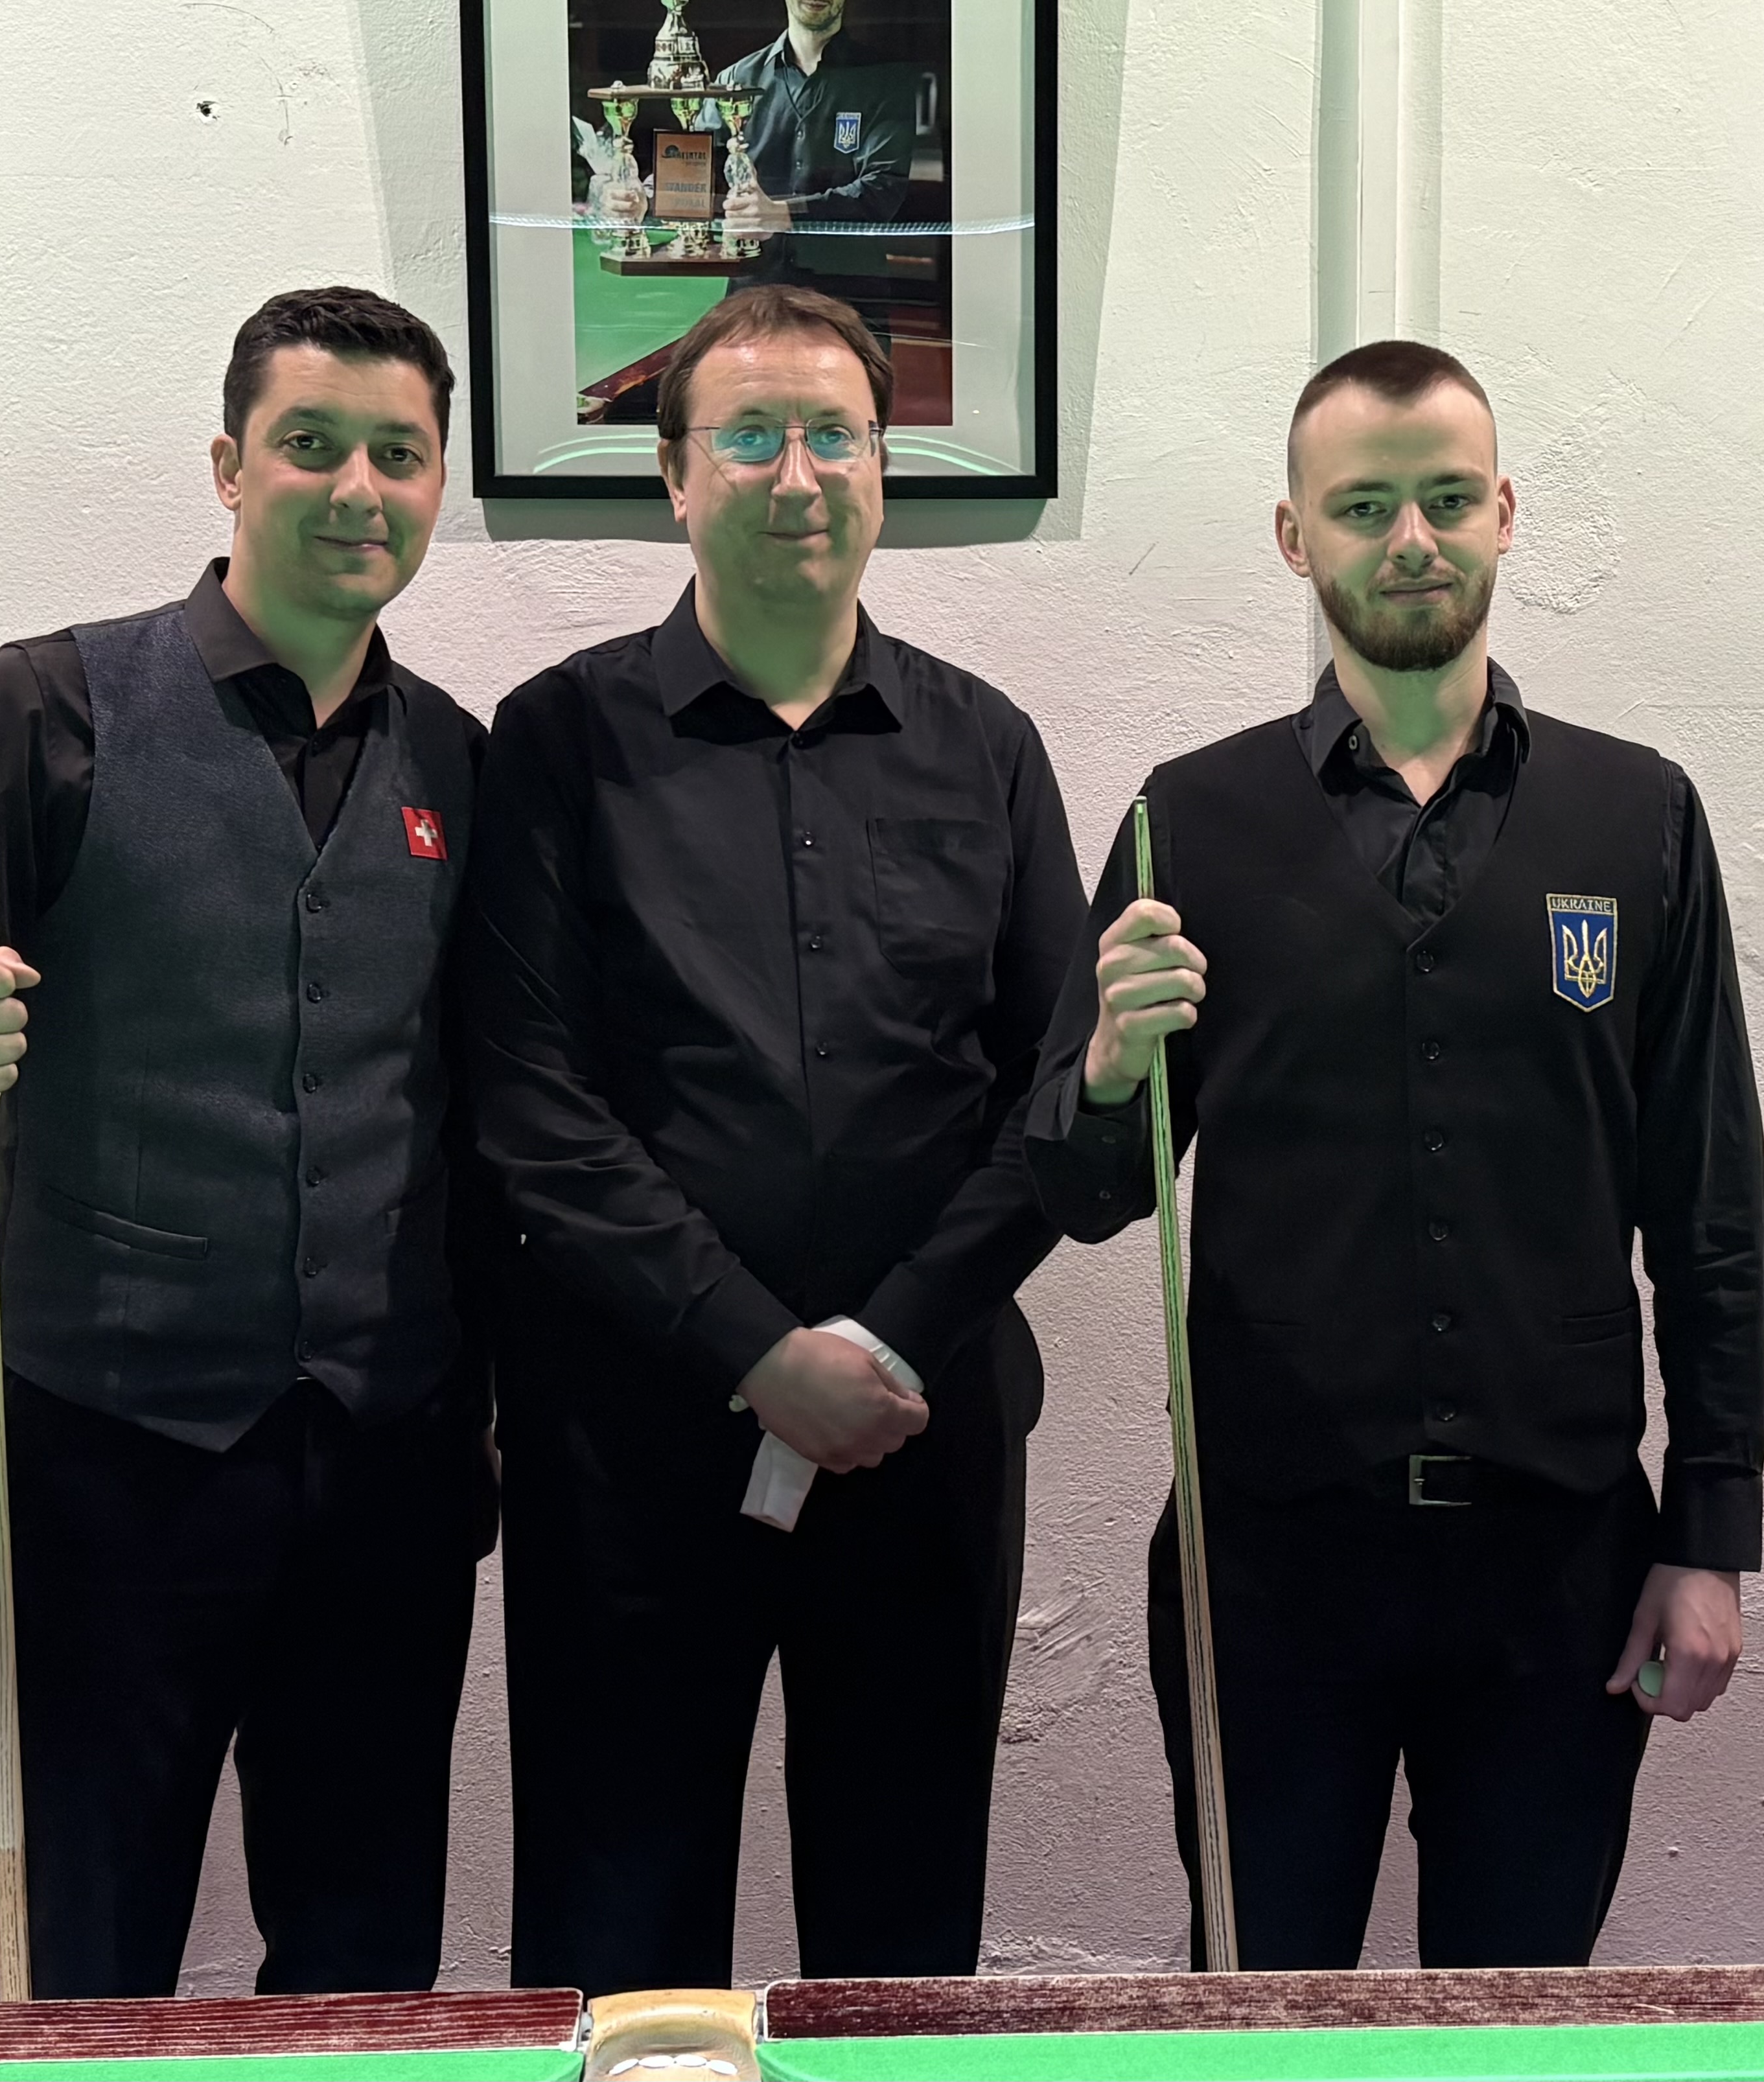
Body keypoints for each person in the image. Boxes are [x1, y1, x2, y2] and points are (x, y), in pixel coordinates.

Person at [1025, 340, 1764, 1971]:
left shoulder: (1639, 817)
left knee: (1519, 2027)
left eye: (1446, 498)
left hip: (1560, 1561)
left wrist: (1710, 1530)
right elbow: (1085, 1196)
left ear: (1505, 512)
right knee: (1259, 2016)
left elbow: (1709, 1203)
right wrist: (1102, 1072)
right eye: (1365, 506)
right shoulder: (1184, 820)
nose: (1412, 539)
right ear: (1295, 536)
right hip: (1268, 1566)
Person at [0, 287, 492, 1998]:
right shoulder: (52, 706)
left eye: (399, 454)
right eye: (311, 443)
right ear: (229, 466)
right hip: (107, 1464)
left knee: (365, 1974)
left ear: (437, 485)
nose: (357, 488)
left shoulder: (467, 762)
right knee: (91, 1967)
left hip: (387, 1472)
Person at [465, 284, 1080, 1996]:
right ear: (673, 474)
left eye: (833, 434)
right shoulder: (556, 741)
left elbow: (1054, 1092)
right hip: (628, 1446)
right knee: (616, 1942)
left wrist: (885, 1339)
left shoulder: (989, 745)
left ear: (884, 470)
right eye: (748, 435)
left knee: (900, 1949)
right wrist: (757, 1349)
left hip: (920, 1434)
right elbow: (533, 1104)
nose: (795, 472)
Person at [701, 0, 923, 339]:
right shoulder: (735, 80)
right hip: (754, 297)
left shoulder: (886, 79)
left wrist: (784, 214)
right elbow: (697, 173)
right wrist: (646, 195)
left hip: (850, 298)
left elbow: (883, 189)